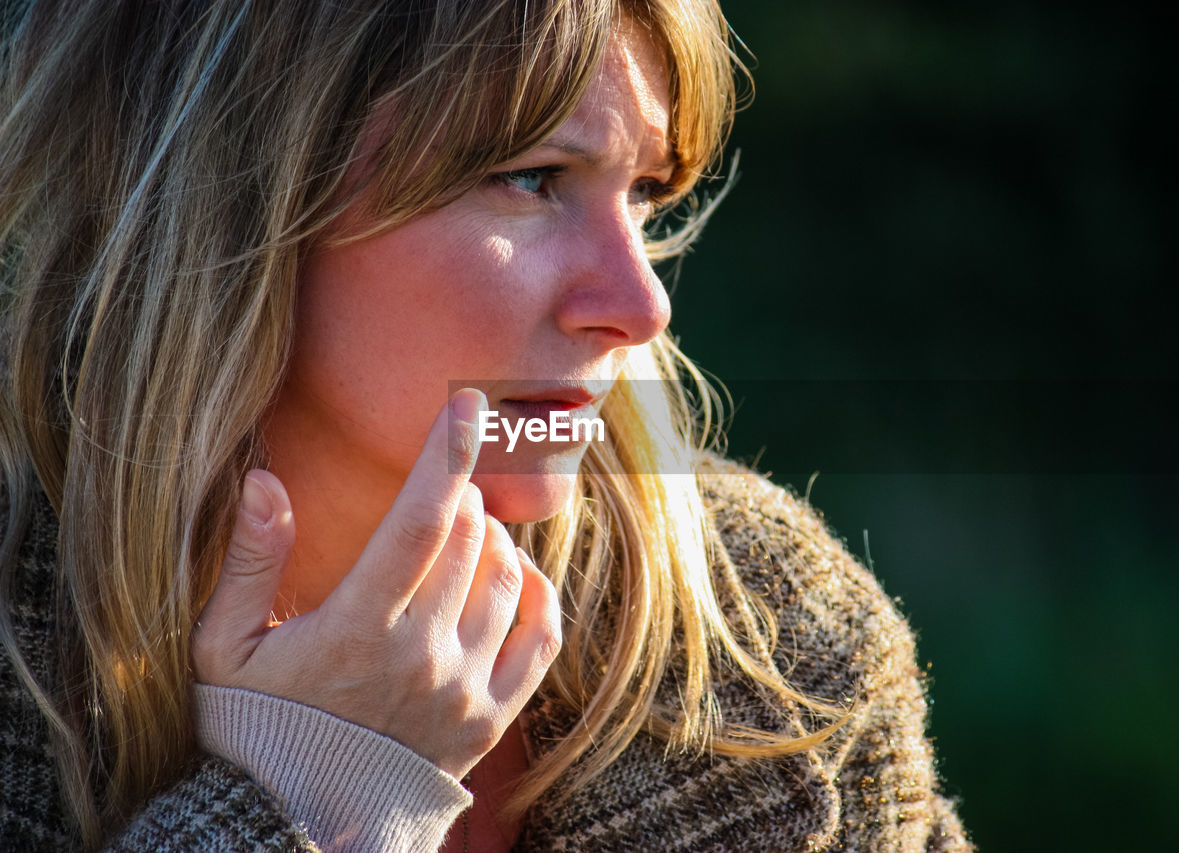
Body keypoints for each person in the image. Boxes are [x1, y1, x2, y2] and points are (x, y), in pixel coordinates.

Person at [0, 1, 973, 850]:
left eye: (642, 191)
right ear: (237, 198)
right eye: (534, 178)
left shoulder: (771, 642)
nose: (638, 306)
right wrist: (318, 795)